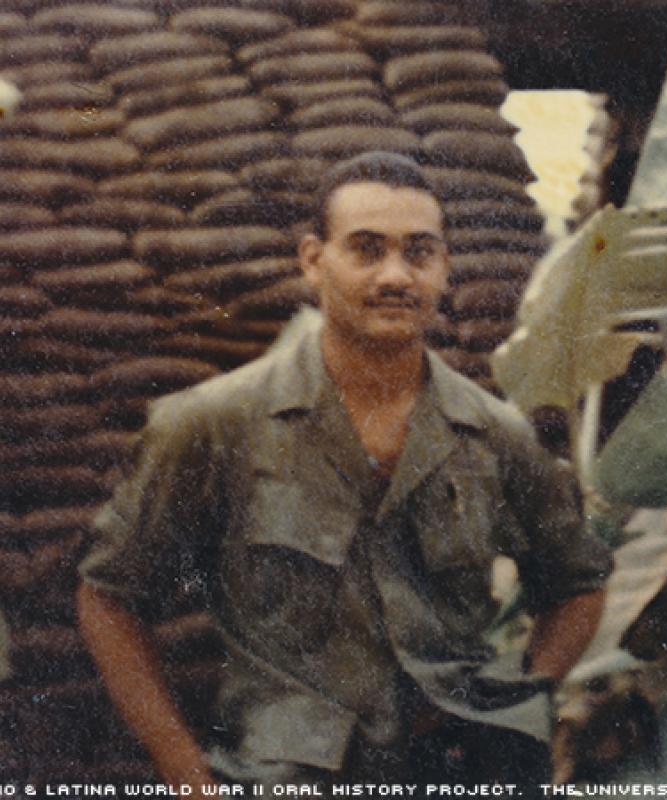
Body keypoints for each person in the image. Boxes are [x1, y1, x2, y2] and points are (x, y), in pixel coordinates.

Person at [77, 152, 612, 796]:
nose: (396, 275)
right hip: (279, 776)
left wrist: (514, 704)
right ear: (312, 260)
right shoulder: (216, 423)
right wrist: (187, 776)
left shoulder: (496, 435)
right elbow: (109, 597)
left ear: (444, 268)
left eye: (419, 252)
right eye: (366, 249)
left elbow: (579, 585)